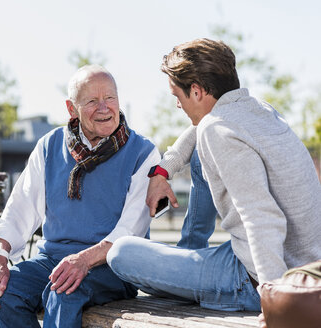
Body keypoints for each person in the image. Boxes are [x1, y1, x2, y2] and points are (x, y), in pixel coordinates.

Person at [107, 38, 321, 312]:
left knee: (121, 253)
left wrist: (277, 302)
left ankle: (203, 278)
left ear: (196, 92)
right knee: (198, 151)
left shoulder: (217, 130)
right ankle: (191, 252)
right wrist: (162, 171)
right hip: (301, 264)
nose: (178, 106)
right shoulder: (258, 110)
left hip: (259, 279)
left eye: (177, 96)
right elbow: (198, 130)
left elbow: (263, 217)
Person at [0, 65, 160, 327]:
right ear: (71, 108)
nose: (104, 107)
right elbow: (19, 207)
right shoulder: (49, 146)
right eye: (92, 101)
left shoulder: (144, 152)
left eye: (110, 98)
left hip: (113, 268)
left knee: (63, 291)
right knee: (3, 290)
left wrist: (84, 260)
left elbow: (131, 230)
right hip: (53, 261)